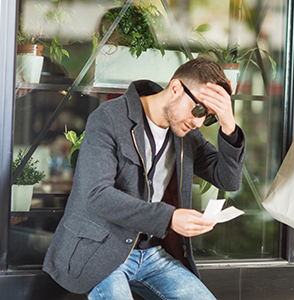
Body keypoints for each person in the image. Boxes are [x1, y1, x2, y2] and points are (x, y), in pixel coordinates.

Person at [43, 57, 246, 300]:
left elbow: (228, 180)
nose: (199, 122)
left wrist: (228, 125)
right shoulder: (109, 118)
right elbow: (97, 196)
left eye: (209, 117)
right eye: (200, 109)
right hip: (100, 250)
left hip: (152, 255)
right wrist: (169, 218)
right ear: (175, 88)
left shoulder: (186, 134)